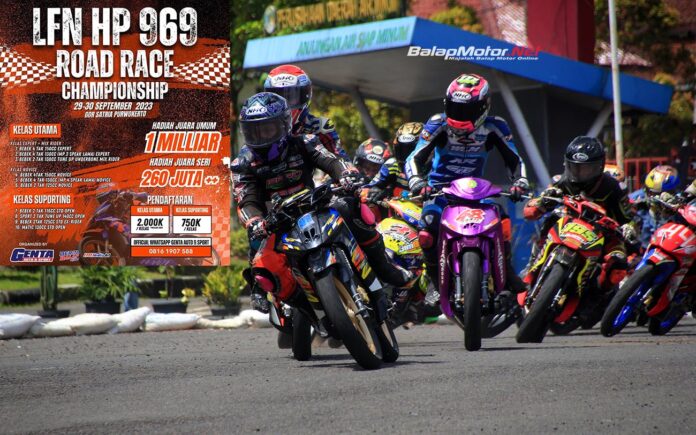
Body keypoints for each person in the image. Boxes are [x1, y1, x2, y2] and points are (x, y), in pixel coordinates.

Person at [231, 92, 413, 313]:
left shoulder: (304, 141)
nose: (261, 137)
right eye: (254, 131)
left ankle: (383, 266)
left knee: (348, 205)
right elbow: (246, 199)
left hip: (313, 204)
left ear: (284, 124)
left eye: (267, 129)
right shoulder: (241, 164)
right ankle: (283, 300)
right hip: (275, 220)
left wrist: (346, 175)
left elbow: (330, 160)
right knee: (262, 263)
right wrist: (255, 221)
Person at [405, 73, 530, 300]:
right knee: (427, 229)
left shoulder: (496, 126)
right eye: (454, 108)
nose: (459, 116)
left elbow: (514, 159)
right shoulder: (437, 123)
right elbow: (415, 157)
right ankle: (433, 283)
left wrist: (520, 182)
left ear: (484, 107)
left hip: (476, 192)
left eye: (466, 110)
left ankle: (507, 271)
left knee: (501, 219)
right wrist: (416, 181)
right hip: (440, 191)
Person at [523, 136, 636, 291]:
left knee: (618, 261)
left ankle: (602, 294)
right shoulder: (561, 181)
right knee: (551, 220)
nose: (579, 173)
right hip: (567, 228)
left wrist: (629, 227)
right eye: (575, 168)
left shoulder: (613, 187)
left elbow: (629, 218)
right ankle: (532, 266)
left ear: (599, 167)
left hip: (602, 234)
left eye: (586, 169)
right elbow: (531, 210)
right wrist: (542, 202)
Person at [263, 64, 348, 161]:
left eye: (290, 96)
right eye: (277, 98)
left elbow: (341, 159)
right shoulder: (261, 128)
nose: (284, 104)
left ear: (305, 96)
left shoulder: (319, 126)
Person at [365, 122, 423, 204]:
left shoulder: (434, 166)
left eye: (411, 149)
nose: (406, 153)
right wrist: (376, 190)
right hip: (397, 209)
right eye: (402, 149)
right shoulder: (392, 164)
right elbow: (369, 188)